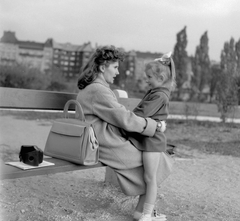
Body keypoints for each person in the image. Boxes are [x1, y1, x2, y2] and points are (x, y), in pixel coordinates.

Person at [76, 45, 167, 221]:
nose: (117, 72)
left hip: (101, 139)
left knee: (153, 161)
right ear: (103, 68)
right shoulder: (98, 90)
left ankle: (143, 210)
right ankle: (143, 212)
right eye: (115, 67)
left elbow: (119, 116)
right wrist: (153, 126)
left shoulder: (95, 87)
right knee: (154, 161)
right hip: (102, 144)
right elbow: (124, 118)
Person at [126, 52, 176, 221]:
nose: (146, 80)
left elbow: (142, 112)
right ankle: (141, 212)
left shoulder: (159, 95)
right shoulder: (155, 91)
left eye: (149, 77)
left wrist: (129, 116)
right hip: (148, 137)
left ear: (160, 77)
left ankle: (147, 214)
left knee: (150, 178)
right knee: (146, 177)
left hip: (152, 141)